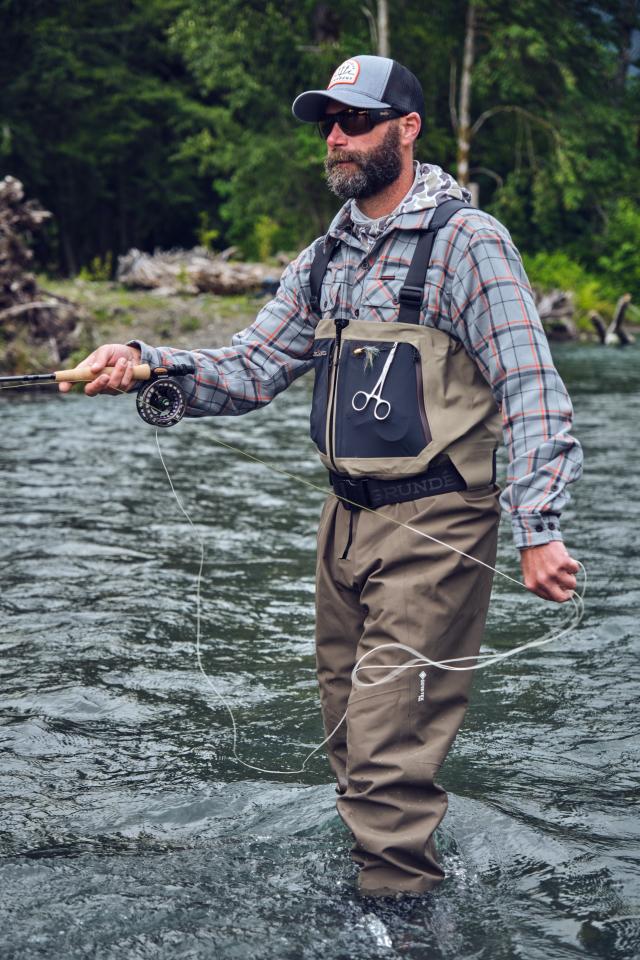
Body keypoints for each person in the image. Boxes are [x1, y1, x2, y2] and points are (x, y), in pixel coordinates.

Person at [61, 55, 583, 897]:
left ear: (407, 129)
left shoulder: (468, 243)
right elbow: (250, 368)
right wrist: (145, 361)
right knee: (348, 737)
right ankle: (383, 892)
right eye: (328, 123)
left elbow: (531, 386)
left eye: (357, 121)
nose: (337, 137)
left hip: (439, 525)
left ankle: (401, 920)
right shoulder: (326, 256)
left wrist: (539, 526)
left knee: (385, 751)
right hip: (343, 527)